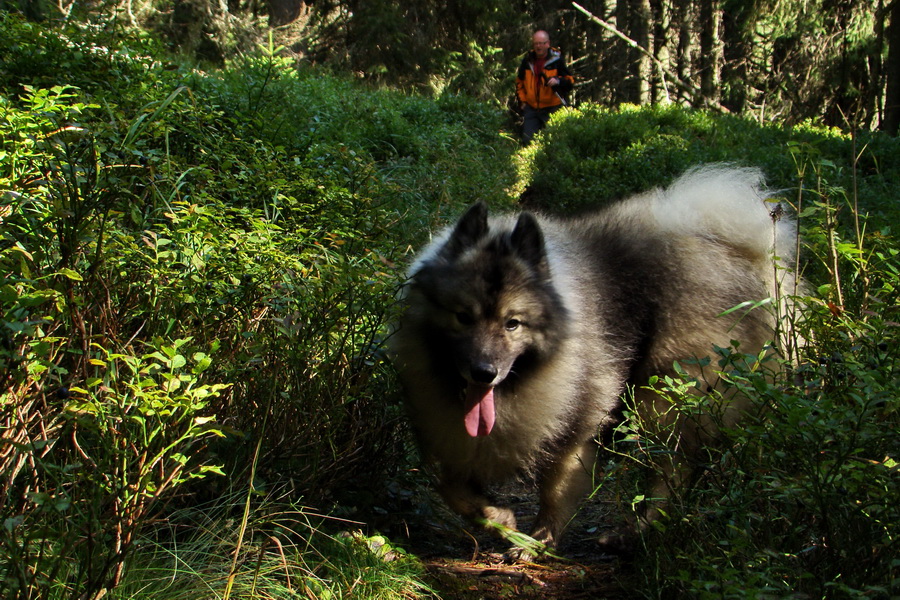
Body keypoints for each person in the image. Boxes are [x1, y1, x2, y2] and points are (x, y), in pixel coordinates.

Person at [515, 30, 574, 144]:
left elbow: (570, 81)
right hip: (531, 108)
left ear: (547, 44)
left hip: (552, 108)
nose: (538, 46)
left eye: (541, 43)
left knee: (555, 141)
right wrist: (522, 101)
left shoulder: (557, 60)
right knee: (528, 141)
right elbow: (519, 82)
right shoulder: (528, 60)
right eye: (536, 43)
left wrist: (558, 81)